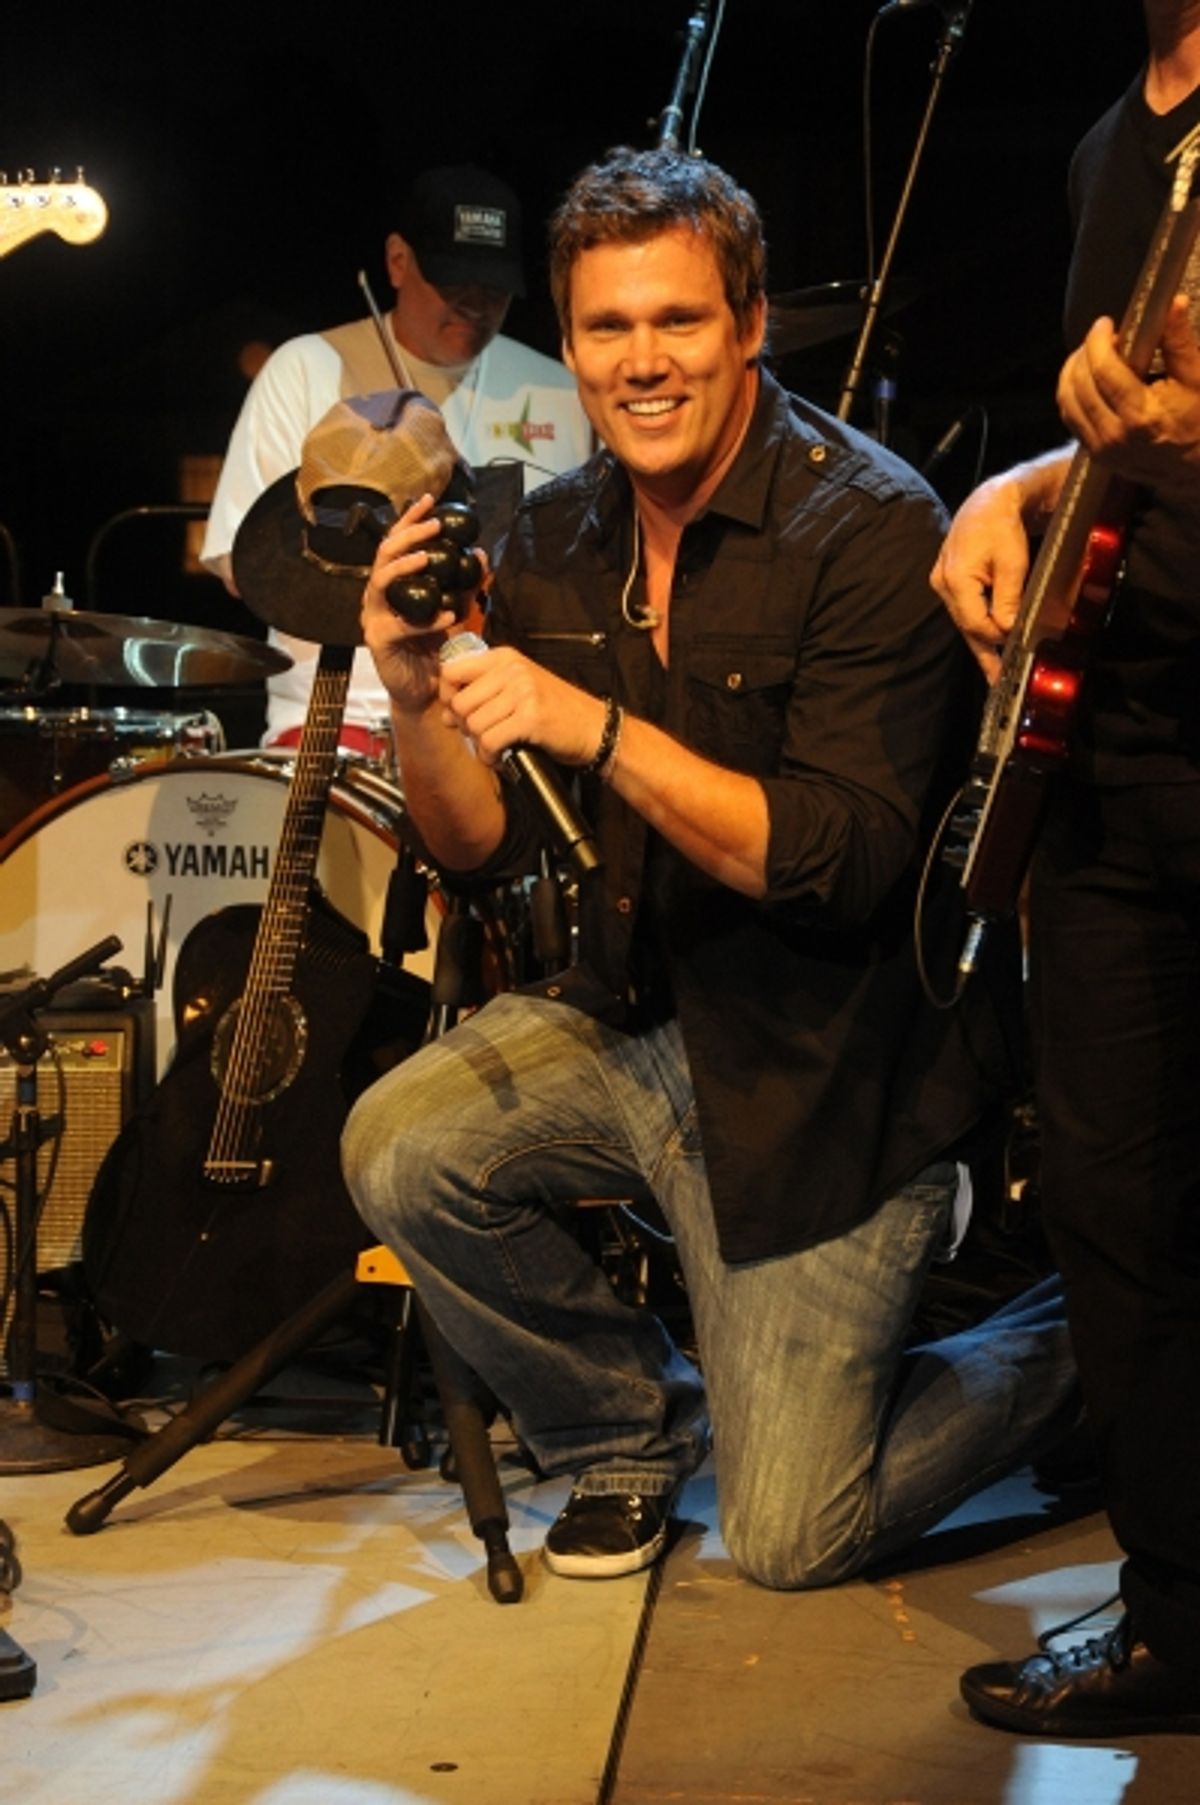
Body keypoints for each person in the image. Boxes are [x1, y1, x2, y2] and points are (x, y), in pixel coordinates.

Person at [342, 146, 1077, 1588]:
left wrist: (593, 726)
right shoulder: (556, 531)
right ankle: (625, 1430)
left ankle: (1088, 1338)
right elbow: (474, 847)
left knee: (796, 1538)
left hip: (831, 1083)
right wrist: (416, 689)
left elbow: (842, 863)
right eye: (608, 329)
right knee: (399, 1143)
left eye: (679, 321)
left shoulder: (869, 529)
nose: (644, 362)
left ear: (748, 325)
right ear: (571, 346)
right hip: (640, 1027)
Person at [933, 0, 1200, 1738]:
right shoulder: (1121, 139)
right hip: (1112, 744)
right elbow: (1149, 417)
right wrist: (1018, 482)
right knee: (1120, 1213)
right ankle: (1177, 1618)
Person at [201, 163, 593, 752]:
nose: (475, 306)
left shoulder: (562, 388)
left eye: (493, 289)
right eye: (454, 284)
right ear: (397, 262)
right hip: (340, 722)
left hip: (505, 722)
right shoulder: (308, 368)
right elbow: (244, 563)